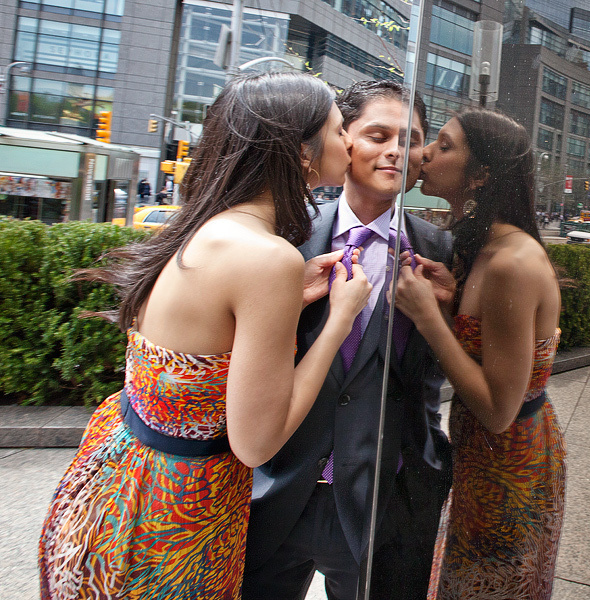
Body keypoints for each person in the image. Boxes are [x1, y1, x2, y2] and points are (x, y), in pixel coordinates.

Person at [38, 71, 371, 599]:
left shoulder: (208, 226)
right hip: (173, 516)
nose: (349, 141)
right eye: (337, 130)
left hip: (115, 485)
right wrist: (339, 320)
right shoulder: (268, 258)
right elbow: (256, 442)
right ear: (300, 152)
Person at [243, 80, 452, 600]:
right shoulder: (283, 236)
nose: (395, 152)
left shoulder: (441, 252)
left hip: (387, 498)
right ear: (344, 141)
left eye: (411, 139)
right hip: (279, 490)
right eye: (377, 134)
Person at [394, 108, 566, 599]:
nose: (426, 153)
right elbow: (482, 358)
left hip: (512, 470)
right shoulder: (484, 248)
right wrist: (449, 309)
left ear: (482, 176)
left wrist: (429, 320)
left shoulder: (513, 262)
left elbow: (497, 409)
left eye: (444, 146)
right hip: (483, 462)